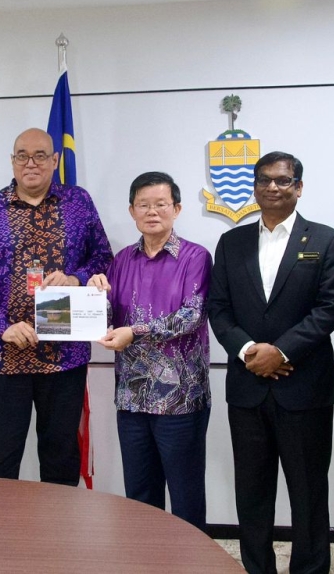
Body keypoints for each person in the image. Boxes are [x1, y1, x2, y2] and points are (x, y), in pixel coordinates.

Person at [209, 151, 334, 574]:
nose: (273, 187)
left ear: (298, 187)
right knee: (251, 494)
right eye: (265, 180)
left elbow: (330, 308)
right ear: (254, 187)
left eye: (283, 181)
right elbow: (218, 308)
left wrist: (280, 351)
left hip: (304, 388)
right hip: (248, 388)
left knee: (308, 494)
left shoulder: (326, 240)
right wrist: (250, 351)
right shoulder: (231, 242)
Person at [0, 127, 112, 486]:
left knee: (60, 455)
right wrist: (2, 325)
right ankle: (1, 539)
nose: (31, 163)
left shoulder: (78, 203)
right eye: (22, 155)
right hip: (4, 356)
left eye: (40, 155)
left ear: (55, 160)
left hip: (64, 356)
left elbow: (104, 257)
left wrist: (75, 278)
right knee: (1, 457)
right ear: (12, 161)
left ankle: (59, 539)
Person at [87, 171, 212, 529]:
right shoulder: (121, 260)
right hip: (131, 398)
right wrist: (94, 294)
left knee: (186, 495)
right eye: (144, 204)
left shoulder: (195, 257)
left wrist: (134, 332)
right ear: (132, 211)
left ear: (177, 208)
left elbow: (191, 316)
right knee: (140, 498)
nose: (152, 211)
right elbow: (106, 316)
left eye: (161, 204)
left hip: (180, 400)